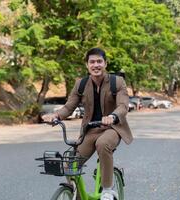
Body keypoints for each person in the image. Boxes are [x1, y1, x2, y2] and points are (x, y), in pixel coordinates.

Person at [42, 47, 133, 200]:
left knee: (103, 144)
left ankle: (107, 190)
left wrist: (112, 116)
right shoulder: (81, 84)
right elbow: (69, 107)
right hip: (90, 131)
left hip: (112, 128)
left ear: (105, 64)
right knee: (70, 163)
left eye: (99, 61)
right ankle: (76, 195)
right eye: (92, 62)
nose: (95, 65)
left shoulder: (116, 82)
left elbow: (123, 105)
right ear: (87, 65)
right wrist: (56, 116)